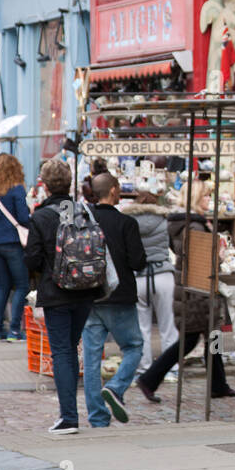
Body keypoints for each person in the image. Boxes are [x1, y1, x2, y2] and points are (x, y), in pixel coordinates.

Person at [135, 182, 235, 403]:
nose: (208, 201)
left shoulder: (184, 224)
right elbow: (201, 260)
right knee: (190, 341)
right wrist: (219, 255)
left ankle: (218, 384)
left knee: (213, 336)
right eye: (205, 197)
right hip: (197, 292)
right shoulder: (194, 226)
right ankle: (149, 378)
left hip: (193, 289)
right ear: (195, 199)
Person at [24, 160, 103, 434]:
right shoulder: (80, 210)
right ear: (69, 183)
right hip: (85, 288)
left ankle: (69, 417)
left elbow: (32, 259)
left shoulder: (41, 216)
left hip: (56, 290)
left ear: (44, 185)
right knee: (69, 348)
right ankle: (69, 413)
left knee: (61, 351)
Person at [81, 173, 148, 426]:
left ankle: (97, 417)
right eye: (118, 188)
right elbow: (138, 262)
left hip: (89, 296)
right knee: (133, 346)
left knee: (91, 358)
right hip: (119, 297)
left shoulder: (84, 222)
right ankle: (117, 387)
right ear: (112, 191)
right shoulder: (126, 223)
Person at [121, 186, 178, 372]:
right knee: (168, 326)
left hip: (139, 278)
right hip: (163, 275)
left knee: (142, 328)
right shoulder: (165, 221)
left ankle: (143, 368)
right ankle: (171, 368)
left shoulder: (128, 221)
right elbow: (175, 247)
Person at [0, 154, 32, 342]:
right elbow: (22, 218)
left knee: (1, 286)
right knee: (21, 285)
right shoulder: (17, 190)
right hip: (12, 243)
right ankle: (14, 330)